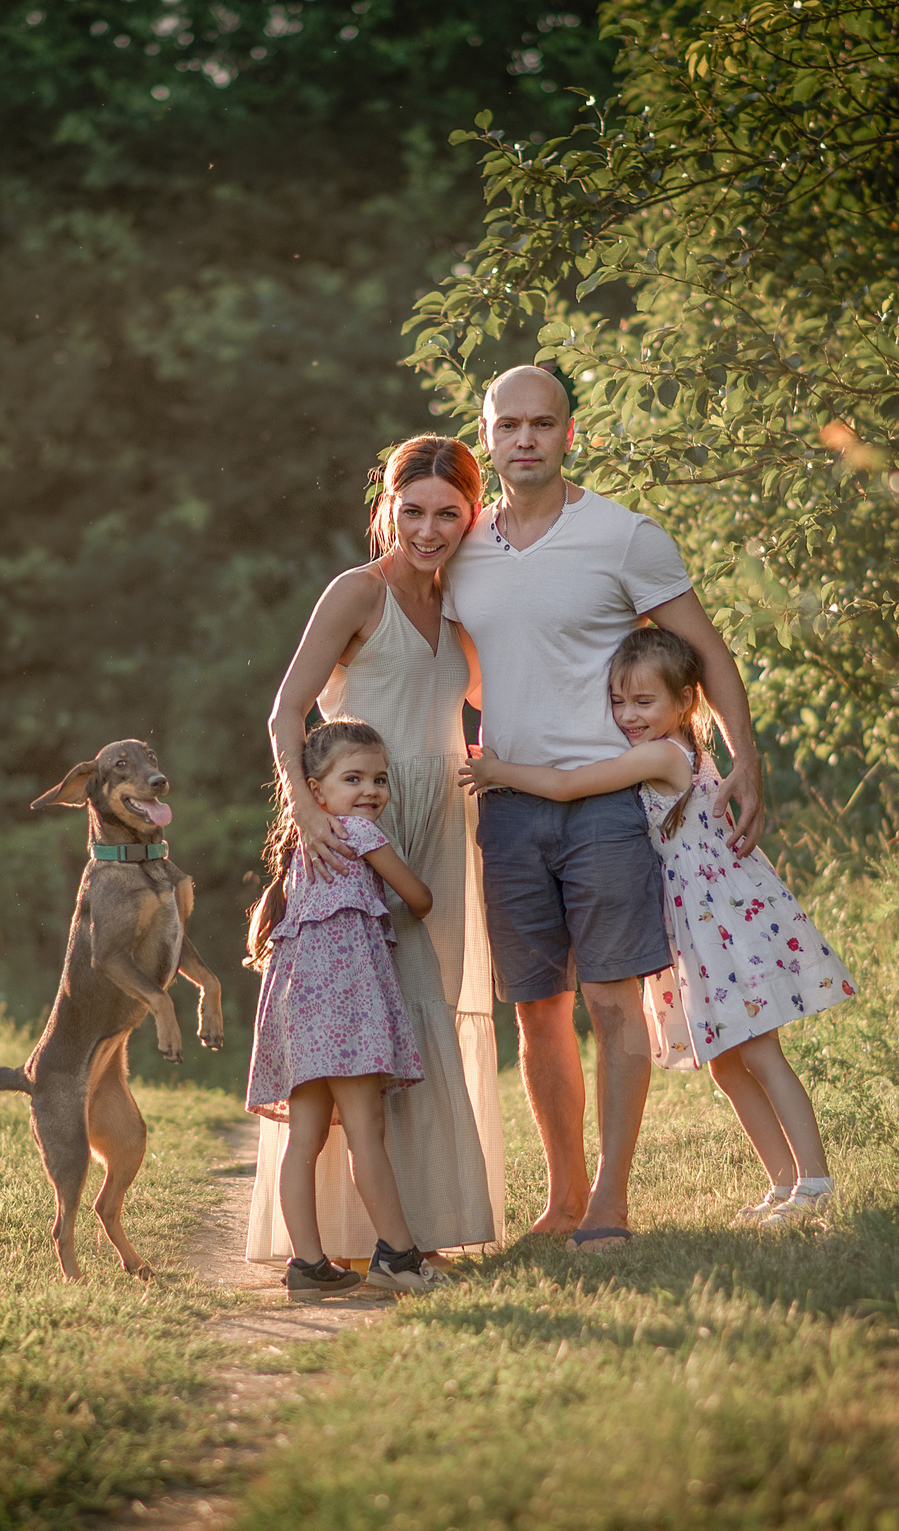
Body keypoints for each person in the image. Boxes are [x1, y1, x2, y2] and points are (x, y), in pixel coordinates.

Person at [444, 364, 767, 1252]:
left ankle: (611, 1201)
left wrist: (745, 759)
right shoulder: (463, 547)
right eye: (508, 425)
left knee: (613, 999)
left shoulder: (624, 537)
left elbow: (707, 651)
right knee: (537, 1008)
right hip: (508, 804)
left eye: (542, 424)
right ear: (487, 435)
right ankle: (564, 1199)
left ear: (569, 433)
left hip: (611, 802)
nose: (526, 439)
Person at [465, 626, 854, 1225]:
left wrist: (500, 771)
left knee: (760, 1051)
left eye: (644, 702)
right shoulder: (658, 748)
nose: (628, 715)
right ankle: (783, 1185)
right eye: (618, 701)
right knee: (726, 1063)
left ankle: (816, 1183)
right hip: (697, 927)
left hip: (722, 922)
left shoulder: (663, 755)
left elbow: (568, 785)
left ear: (685, 702)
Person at [248, 435, 503, 1269]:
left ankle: (417, 1225)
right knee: (354, 1026)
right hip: (356, 830)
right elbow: (287, 710)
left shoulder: (462, 604)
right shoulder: (358, 592)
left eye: (448, 515)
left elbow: (491, 692)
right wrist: (305, 810)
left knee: (422, 1019)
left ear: (472, 515)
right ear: (386, 510)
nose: (428, 531)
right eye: (412, 512)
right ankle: (355, 1240)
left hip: (441, 823)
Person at [245, 721, 450, 1297]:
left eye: (379, 779)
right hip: (344, 1004)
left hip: (297, 1005)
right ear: (314, 790)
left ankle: (307, 1265)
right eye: (353, 778)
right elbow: (420, 898)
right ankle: (399, 1259)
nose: (371, 791)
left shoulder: (300, 847)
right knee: (366, 1129)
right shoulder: (358, 833)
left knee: (304, 1140)